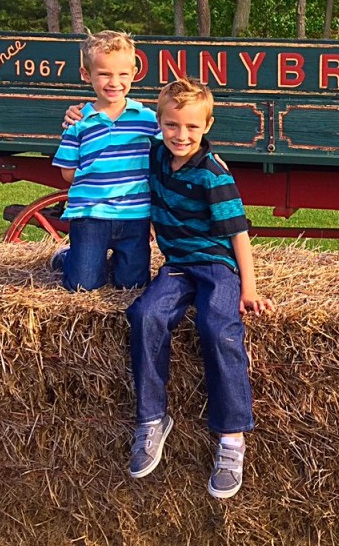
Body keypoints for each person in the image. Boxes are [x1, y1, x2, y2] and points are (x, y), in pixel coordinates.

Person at [127, 77, 272, 499]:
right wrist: (78, 115)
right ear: (160, 123)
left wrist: (250, 287)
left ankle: (231, 439)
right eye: (172, 125)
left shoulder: (214, 174)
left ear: (207, 125)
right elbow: (116, 117)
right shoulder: (155, 154)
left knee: (217, 325)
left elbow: (238, 233)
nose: (181, 135)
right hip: (177, 265)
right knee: (144, 315)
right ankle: (152, 419)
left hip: (215, 265)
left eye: (191, 127)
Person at [51, 31, 156, 292]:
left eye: (122, 74)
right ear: (86, 75)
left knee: (132, 285)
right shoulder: (78, 122)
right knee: (83, 284)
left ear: (134, 73)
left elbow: (178, 141)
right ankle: (68, 258)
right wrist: (100, 178)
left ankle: (103, 261)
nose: (114, 82)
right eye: (104, 74)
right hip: (91, 213)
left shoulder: (147, 118)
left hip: (134, 213)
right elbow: (67, 173)